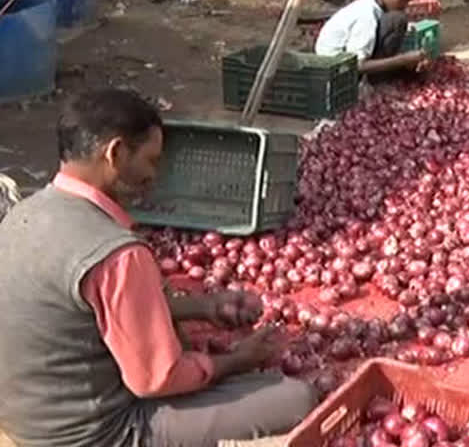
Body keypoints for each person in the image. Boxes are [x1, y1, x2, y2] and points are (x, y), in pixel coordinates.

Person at [0, 89, 317, 447]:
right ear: (116, 153)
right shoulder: (116, 254)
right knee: (294, 399)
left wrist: (202, 307)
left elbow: (103, 309)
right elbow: (156, 380)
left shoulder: (23, 214)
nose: (155, 175)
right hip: (95, 434)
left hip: (26, 417)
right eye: (151, 160)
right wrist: (237, 361)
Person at [315, 0, 429, 80]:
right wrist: (402, 59)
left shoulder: (374, 4)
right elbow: (357, 66)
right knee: (397, 19)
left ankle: (386, 72)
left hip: (347, 60)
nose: (405, 5)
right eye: (403, 0)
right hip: (336, 69)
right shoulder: (366, 16)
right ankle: (375, 78)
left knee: (397, 21)